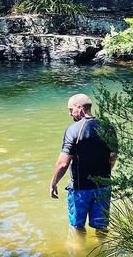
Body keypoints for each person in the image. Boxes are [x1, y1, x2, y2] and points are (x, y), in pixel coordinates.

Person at [49, 93, 117, 235]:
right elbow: (113, 157)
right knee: (102, 227)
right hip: (103, 186)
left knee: (77, 227)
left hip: (81, 189)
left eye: (70, 109)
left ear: (79, 108)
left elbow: (63, 163)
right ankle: (103, 253)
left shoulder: (73, 130)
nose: (69, 113)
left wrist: (53, 183)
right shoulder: (108, 127)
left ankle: (80, 256)